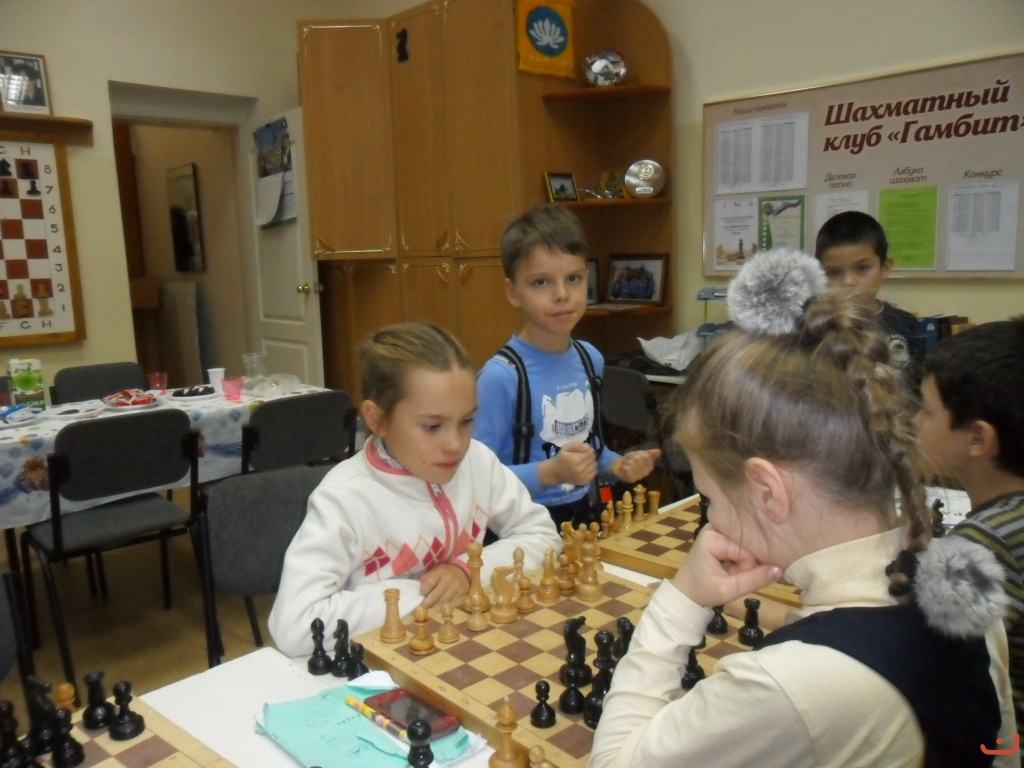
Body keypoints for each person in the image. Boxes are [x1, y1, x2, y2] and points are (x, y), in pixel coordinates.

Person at [590, 248, 1017, 767]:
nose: (711, 519)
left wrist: (683, 597)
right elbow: (1002, 751)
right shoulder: (964, 582)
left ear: (768, 491)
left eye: (711, 497)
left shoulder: (788, 685)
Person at [268, 322, 561, 655]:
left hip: (468, 647)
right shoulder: (343, 499)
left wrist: (469, 571)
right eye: (433, 426)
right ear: (377, 419)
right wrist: (420, 594)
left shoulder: (478, 462)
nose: (456, 444)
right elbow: (294, 625)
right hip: (384, 663)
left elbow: (543, 537)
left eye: (466, 421)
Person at [475, 204, 659, 529]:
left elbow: (589, 449)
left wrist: (617, 465)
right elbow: (475, 479)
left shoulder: (591, 359)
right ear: (513, 292)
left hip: (584, 516)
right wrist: (550, 472)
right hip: (520, 527)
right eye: (541, 282)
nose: (562, 294)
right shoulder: (500, 377)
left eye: (573, 278)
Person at [915, 316, 1024, 726]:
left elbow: (931, 673)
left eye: (926, 411)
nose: (915, 423)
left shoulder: (983, 544)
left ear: (978, 438)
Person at [814, 210, 925, 386]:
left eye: (862, 268)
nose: (848, 282)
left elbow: (917, 389)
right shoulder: (815, 325)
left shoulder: (906, 324)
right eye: (833, 272)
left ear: (885, 268)